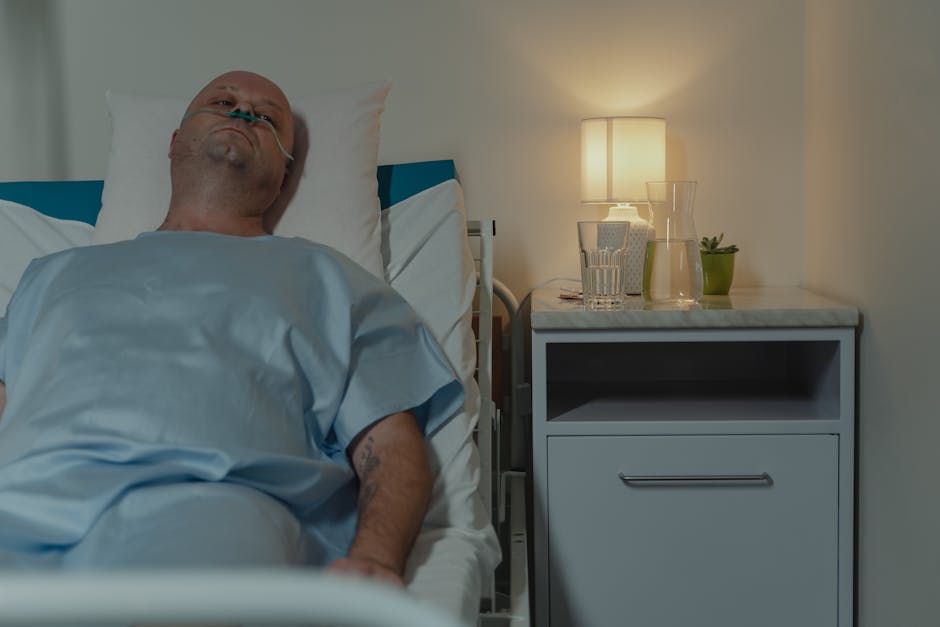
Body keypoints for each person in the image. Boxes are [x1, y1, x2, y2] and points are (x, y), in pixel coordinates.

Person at [0, 71, 463, 588]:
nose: (244, 112)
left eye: (267, 118)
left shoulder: (331, 280)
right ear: (174, 142)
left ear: (284, 174)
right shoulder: (54, 275)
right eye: (223, 101)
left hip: (213, 504)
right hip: (26, 505)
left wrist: (375, 559)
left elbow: (390, 444)